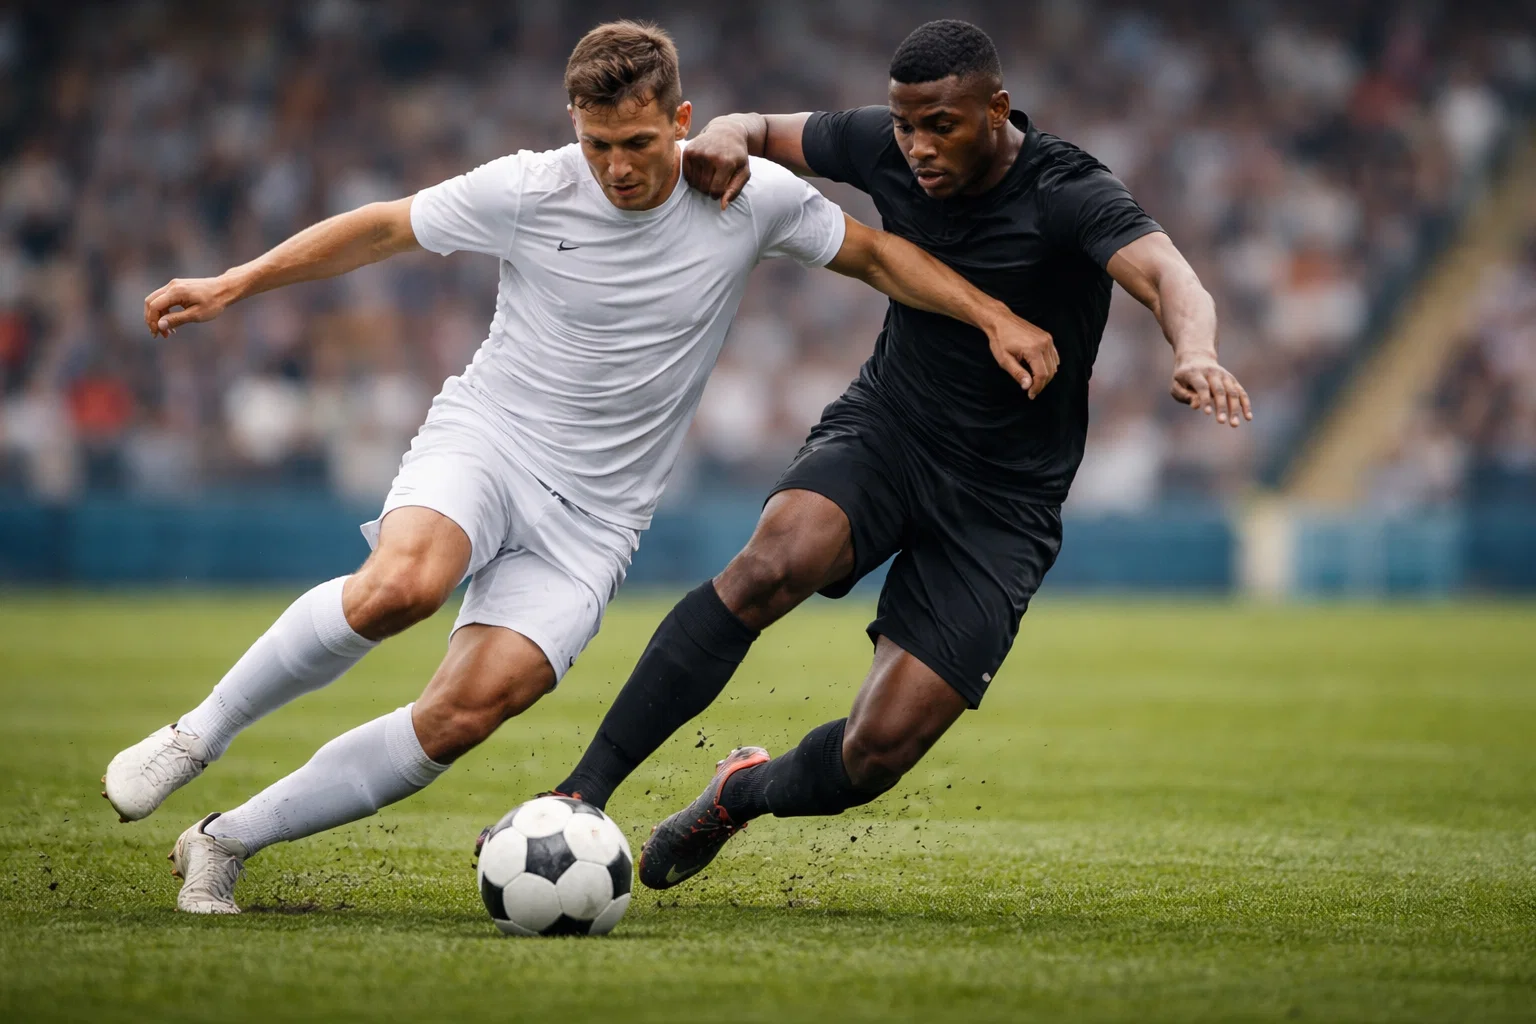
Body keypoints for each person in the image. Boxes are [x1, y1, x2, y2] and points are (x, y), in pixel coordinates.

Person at [102, 19, 1054, 914]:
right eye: (597, 143)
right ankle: (196, 735)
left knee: (466, 712)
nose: (616, 167)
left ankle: (225, 843)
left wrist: (993, 316)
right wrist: (236, 281)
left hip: (597, 520)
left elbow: (880, 259)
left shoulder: (746, 197)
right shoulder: (531, 186)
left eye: (637, 142)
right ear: (574, 129)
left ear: (682, 124)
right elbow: (386, 227)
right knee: (401, 587)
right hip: (491, 442)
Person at [548, 19, 1253, 890]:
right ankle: (582, 792)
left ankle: (740, 792)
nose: (916, 147)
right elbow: (766, 131)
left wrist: (1196, 351)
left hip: (1004, 503)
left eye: (941, 127)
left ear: (997, 109)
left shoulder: (1068, 189)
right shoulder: (883, 143)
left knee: (874, 752)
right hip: (891, 431)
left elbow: (1166, 272)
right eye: (904, 125)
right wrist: (726, 133)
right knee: (775, 562)